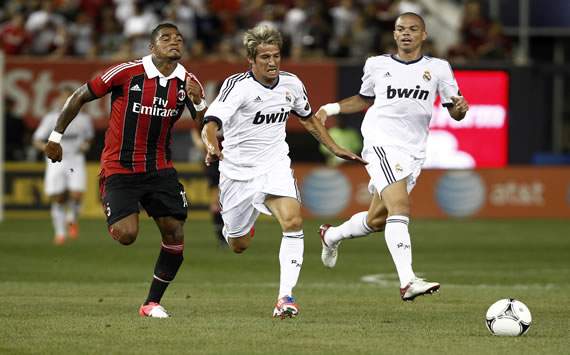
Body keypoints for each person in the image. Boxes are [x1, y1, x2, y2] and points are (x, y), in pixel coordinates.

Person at [201, 25, 366, 319]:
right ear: (251, 60)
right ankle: (240, 227)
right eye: (264, 57)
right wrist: (212, 144)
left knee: (293, 220)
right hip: (238, 172)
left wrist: (334, 147)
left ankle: (285, 298)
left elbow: (309, 119)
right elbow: (211, 123)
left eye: (276, 55)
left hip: (275, 165)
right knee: (238, 244)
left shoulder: (292, 84)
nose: (272, 62)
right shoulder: (237, 86)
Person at [43, 23, 207, 318]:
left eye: (179, 38)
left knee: (175, 233)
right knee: (127, 234)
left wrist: (200, 102)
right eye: (166, 38)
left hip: (159, 168)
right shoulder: (125, 72)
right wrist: (55, 137)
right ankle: (114, 200)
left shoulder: (189, 81)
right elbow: (80, 95)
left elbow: (205, 127)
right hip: (120, 167)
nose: (175, 42)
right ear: (151, 46)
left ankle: (151, 303)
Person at [316, 12, 469, 301]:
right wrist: (330, 109)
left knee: (377, 220)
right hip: (381, 142)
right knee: (401, 206)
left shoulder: (438, 68)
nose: (406, 33)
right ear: (394, 34)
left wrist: (461, 108)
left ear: (424, 35)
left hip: (413, 150)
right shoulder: (377, 64)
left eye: (413, 29)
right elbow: (364, 98)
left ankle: (331, 235)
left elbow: (455, 111)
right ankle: (408, 281)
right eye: (400, 29)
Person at [33, 86, 94, 245]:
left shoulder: (84, 119)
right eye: (63, 97)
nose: (65, 100)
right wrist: (47, 148)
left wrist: (85, 146)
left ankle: (72, 219)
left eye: (69, 97)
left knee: (76, 194)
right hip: (56, 162)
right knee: (58, 198)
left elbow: (89, 138)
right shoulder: (51, 118)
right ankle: (60, 233)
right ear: (59, 99)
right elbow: (37, 139)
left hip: (75, 159)